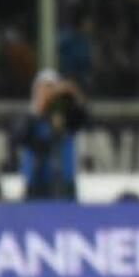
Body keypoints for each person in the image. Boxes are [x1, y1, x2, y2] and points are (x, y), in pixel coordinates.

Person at [15, 69, 88, 200]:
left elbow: (85, 120)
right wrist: (39, 110)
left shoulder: (66, 116)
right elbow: (20, 136)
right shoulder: (28, 116)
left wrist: (74, 95)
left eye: (51, 88)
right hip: (36, 182)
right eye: (43, 88)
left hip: (64, 183)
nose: (48, 93)